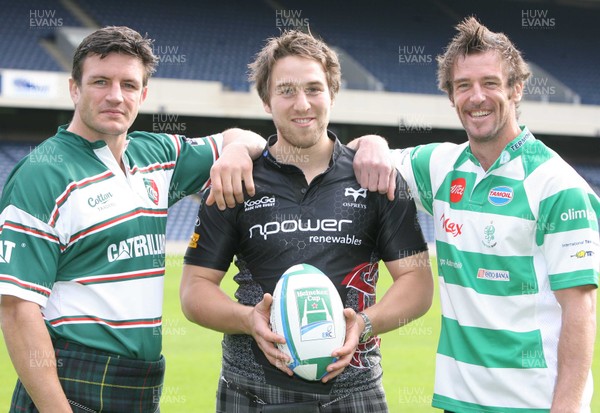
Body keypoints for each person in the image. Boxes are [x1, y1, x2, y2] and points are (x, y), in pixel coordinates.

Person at [0, 26, 266, 412]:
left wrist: (237, 151)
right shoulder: (42, 173)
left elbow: (249, 137)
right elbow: (16, 308)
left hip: (140, 385)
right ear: (74, 88)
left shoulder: (157, 154)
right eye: (100, 82)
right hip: (71, 380)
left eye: (128, 84)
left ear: (143, 94)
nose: (115, 96)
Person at [350, 17, 599, 413]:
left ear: (516, 88)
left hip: (532, 405)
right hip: (458, 402)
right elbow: (356, 159)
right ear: (450, 96)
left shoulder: (557, 185)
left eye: (490, 83)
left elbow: (580, 310)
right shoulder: (439, 166)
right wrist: (375, 141)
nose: (476, 97)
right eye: (463, 85)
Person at [180, 30, 434, 412]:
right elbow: (194, 290)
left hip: (354, 391)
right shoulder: (235, 178)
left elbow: (417, 283)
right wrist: (248, 320)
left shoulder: (376, 178)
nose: (302, 104)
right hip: (249, 390)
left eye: (314, 89)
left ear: (332, 93)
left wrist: (364, 324)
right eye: (286, 91)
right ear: (266, 100)